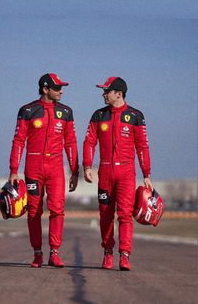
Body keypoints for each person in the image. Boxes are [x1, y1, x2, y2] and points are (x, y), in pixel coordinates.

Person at [83, 76, 153, 271]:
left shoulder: (136, 115)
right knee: (105, 215)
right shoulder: (98, 115)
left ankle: (124, 255)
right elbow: (89, 142)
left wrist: (146, 173)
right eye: (104, 90)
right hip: (105, 172)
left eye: (107, 91)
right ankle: (107, 253)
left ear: (119, 94)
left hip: (127, 172)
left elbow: (142, 146)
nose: (103, 94)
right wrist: (87, 166)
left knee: (125, 215)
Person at [9, 73, 79, 268]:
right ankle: (37, 253)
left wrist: (75, 171)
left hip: (56, 169)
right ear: (45, 89)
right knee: (34, 211)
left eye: (61, 88)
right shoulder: (27, 110)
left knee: (57, 210)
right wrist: (14, 169)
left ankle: (54, 253)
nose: (61, 91)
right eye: (57, 88)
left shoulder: (66, 112)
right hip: (33, 168)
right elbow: (18, 141)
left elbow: (71, 142)